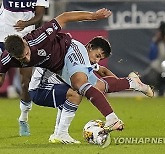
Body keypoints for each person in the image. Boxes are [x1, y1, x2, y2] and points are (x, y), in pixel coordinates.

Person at [0, 9, 154, 135]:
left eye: (27, 53)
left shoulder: (39, 37)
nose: (27, 59)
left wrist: (93, 16)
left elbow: (65, 17)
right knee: (98, 87)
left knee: (79, 84)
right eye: (22, 59)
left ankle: (111, 118)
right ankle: (133, 83)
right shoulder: (6, 59)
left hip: (69, 49)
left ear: (25, 43)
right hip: (61, 68)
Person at [0, 0, 49, 136]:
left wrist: (26, 24)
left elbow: (39, 15)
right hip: (2, 37)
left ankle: (23, 118)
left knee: (26, 83)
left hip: (24, 39)